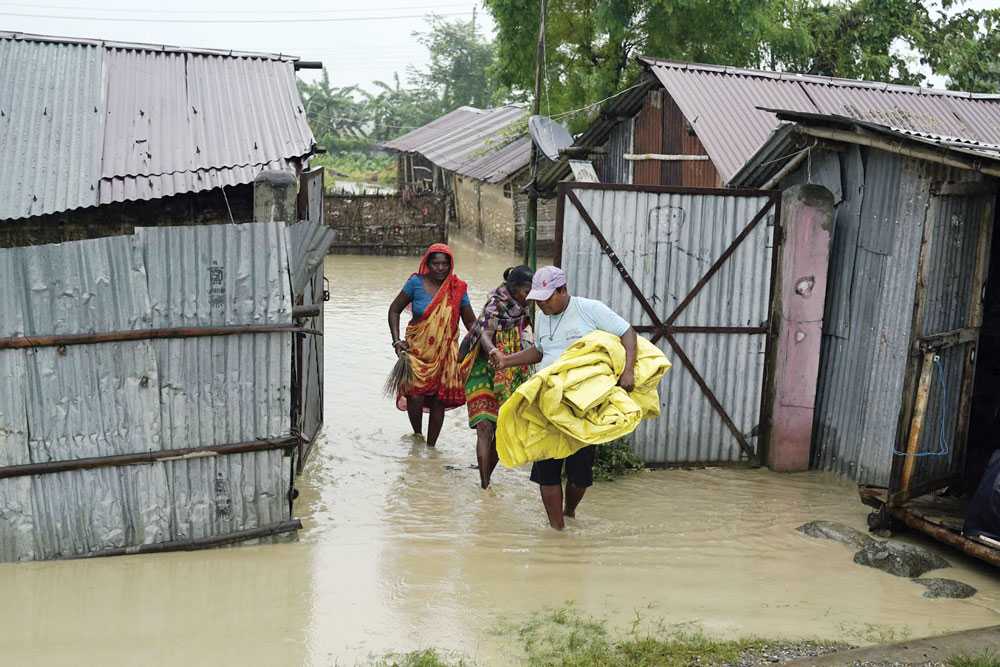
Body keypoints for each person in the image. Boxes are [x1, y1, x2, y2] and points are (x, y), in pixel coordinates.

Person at [491, 266, 637, 530]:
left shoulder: (588, 310)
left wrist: (627, 371)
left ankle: (569, 512)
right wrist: (506, 361)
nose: (542, 305)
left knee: (580, 474)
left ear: (562, 290)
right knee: (547, 468)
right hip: (547, 402)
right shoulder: (543, 315)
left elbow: (627, 332)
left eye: (547, 298)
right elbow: (539, 351)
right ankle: (557, 531)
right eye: (538, 299)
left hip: (582, 406)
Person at [388, 243, 476, 447]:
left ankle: (431, 446)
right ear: (427, 263)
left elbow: (470, 322)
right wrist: (396, 340)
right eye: (435, 263)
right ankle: (417, 436)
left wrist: (487, 341)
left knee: (439, 399)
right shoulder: (415, 283)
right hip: (417, 351)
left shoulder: (457, 288)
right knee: (415, 396)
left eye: (445, 264)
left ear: (450, 265)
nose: (440, 268)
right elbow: (394, 310)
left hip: (445, 354)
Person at [459, 265, 535, 489]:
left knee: (503, 429)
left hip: (512, 371)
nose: (529, 296)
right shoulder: (495, 304)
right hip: (482, 369)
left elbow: (529, 335)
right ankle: (484, 487)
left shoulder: (526, 307)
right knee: (484, 427)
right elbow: (484, 334)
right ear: (514, 288)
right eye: (526, 291)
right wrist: (494, 351)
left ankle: (487, 478)